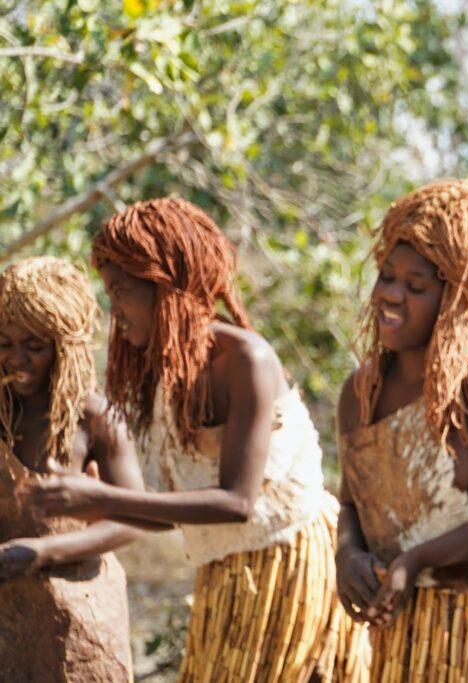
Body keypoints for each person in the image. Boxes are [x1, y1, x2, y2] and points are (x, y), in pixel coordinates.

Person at [25, 198, 362, 681]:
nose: (114, 310)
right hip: (225, 578)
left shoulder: (247, 360)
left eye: (121, 292)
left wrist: (103, 496)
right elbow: (173, 512)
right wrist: (88, 506)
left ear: (165, 285)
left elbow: (237, 502)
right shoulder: (167, 374)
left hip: (286, 573)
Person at [336, 178, 468, 682]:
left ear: (457, 297)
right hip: (398, 637)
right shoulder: (360, 392)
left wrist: (416, 559)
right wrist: (348, 554)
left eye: (416, 287)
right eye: (386, 276)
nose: (390, 295)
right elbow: (350, 504)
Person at [0, 256, 138, 681]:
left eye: (35, 346)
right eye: (4, 342)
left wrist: (42, 552)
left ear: (65, 346)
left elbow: (133, 519)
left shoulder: (94, 418)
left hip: (81, 620)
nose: (16, 359)